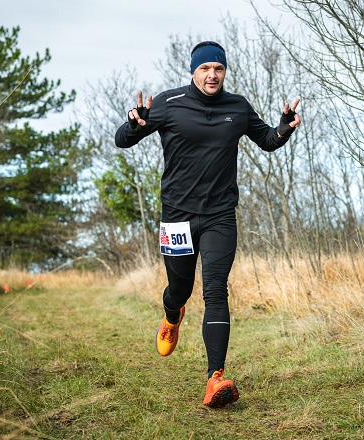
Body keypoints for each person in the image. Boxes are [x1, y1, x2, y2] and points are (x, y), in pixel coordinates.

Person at [115, 41, 301, 408]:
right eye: (205, 69)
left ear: (225, 72)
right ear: (193, 72)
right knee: (180, 288)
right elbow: (122, 140)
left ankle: (215, 378)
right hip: (177, 217)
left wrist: (282, 129)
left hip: (219, 215)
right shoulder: (169, 104)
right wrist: (134, 125)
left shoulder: (238, 106)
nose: (212, 75)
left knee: (216, 289)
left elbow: (266, 140)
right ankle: (172, 315)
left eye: (218, 68)